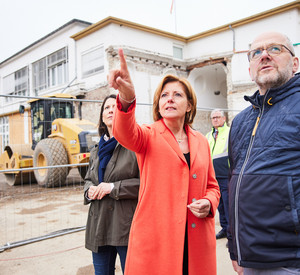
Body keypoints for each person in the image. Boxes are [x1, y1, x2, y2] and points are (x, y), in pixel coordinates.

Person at [108, 48, 220, 275]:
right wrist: (127, 97)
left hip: (196, 240)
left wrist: (209, 203)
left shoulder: (201, 141)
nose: (169, 99)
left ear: (189, 105)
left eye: (177, 95)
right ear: (158, 104)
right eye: (164, 95)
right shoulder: (147, 135)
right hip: (158, 242)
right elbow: (124, 132)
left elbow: (213, 187)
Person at [228, 32, 300, 275]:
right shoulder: (240, 122)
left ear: (295, 63)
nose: (264, 55)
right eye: (256, 53)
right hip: (250, 260)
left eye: (275, 49)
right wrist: (234, 249)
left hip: (291, 260)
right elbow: (234, 185)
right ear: (250, 70)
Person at [83, 94, 140, 275]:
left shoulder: (135, 145)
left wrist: (113, 188)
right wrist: (88, 191)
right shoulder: (96, 150)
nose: (110, 110)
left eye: (114, 106)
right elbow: (88, 179)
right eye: (106, 107)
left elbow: (146, 183)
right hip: (98, 226)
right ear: (101, 116)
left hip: (124, 227)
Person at [206, 109, 230, 241]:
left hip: (226, 174)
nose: (215, 119)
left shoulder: (230, 132)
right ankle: (225, 228)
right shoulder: (208, 135)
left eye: (217, 117)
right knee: (219, 204)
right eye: (213, 117)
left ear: (224, 118)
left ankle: (231, 232)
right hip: (213, 176)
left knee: (227, 203)